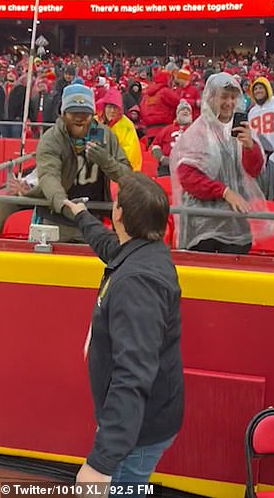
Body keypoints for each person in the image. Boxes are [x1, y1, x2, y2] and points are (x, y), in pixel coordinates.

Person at [63, 172, 184, 487]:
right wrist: (82, 216)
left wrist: (101, 464)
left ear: (118, 214)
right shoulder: (144, 251)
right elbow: (108, 245)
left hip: (136, 434)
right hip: (137, 424)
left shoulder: (137, 282)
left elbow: (132, 376)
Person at [0, 84, 131, 241]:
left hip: (93, 217)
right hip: (56, 218)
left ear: (92, 113)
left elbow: (127, 175)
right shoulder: (52, 139)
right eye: (74, 114)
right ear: (63, 113)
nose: (79, 119)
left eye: (85, 114)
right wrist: (65, 205)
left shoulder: (106, 136)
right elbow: (49, 176)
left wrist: (105, 161)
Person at [170, 72, 265, 254]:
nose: (229, 103)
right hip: (204, 226)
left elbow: (254, 171)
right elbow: (188, 178)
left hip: (236, 223)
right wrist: (224, 192)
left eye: (233, 97)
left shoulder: (241, 131)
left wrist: (249, 147)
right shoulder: (197, 133)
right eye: (224, 97)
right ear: (211, 97)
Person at [97, 88, 142, 171]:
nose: (112, 111)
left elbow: (131, 154)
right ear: (104, 107)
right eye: (110, 107)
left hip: (119, 170)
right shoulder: (95, 122)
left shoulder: (126, 125)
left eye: (116, 107)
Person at [151, 99, 193, 177]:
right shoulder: (167, 129)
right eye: (183, 110)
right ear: (177, 114)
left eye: (188, 110)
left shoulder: (196, 130)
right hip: (167, 166)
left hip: (188, 167)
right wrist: (161, 158)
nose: (186, 111)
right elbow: (155, 145)